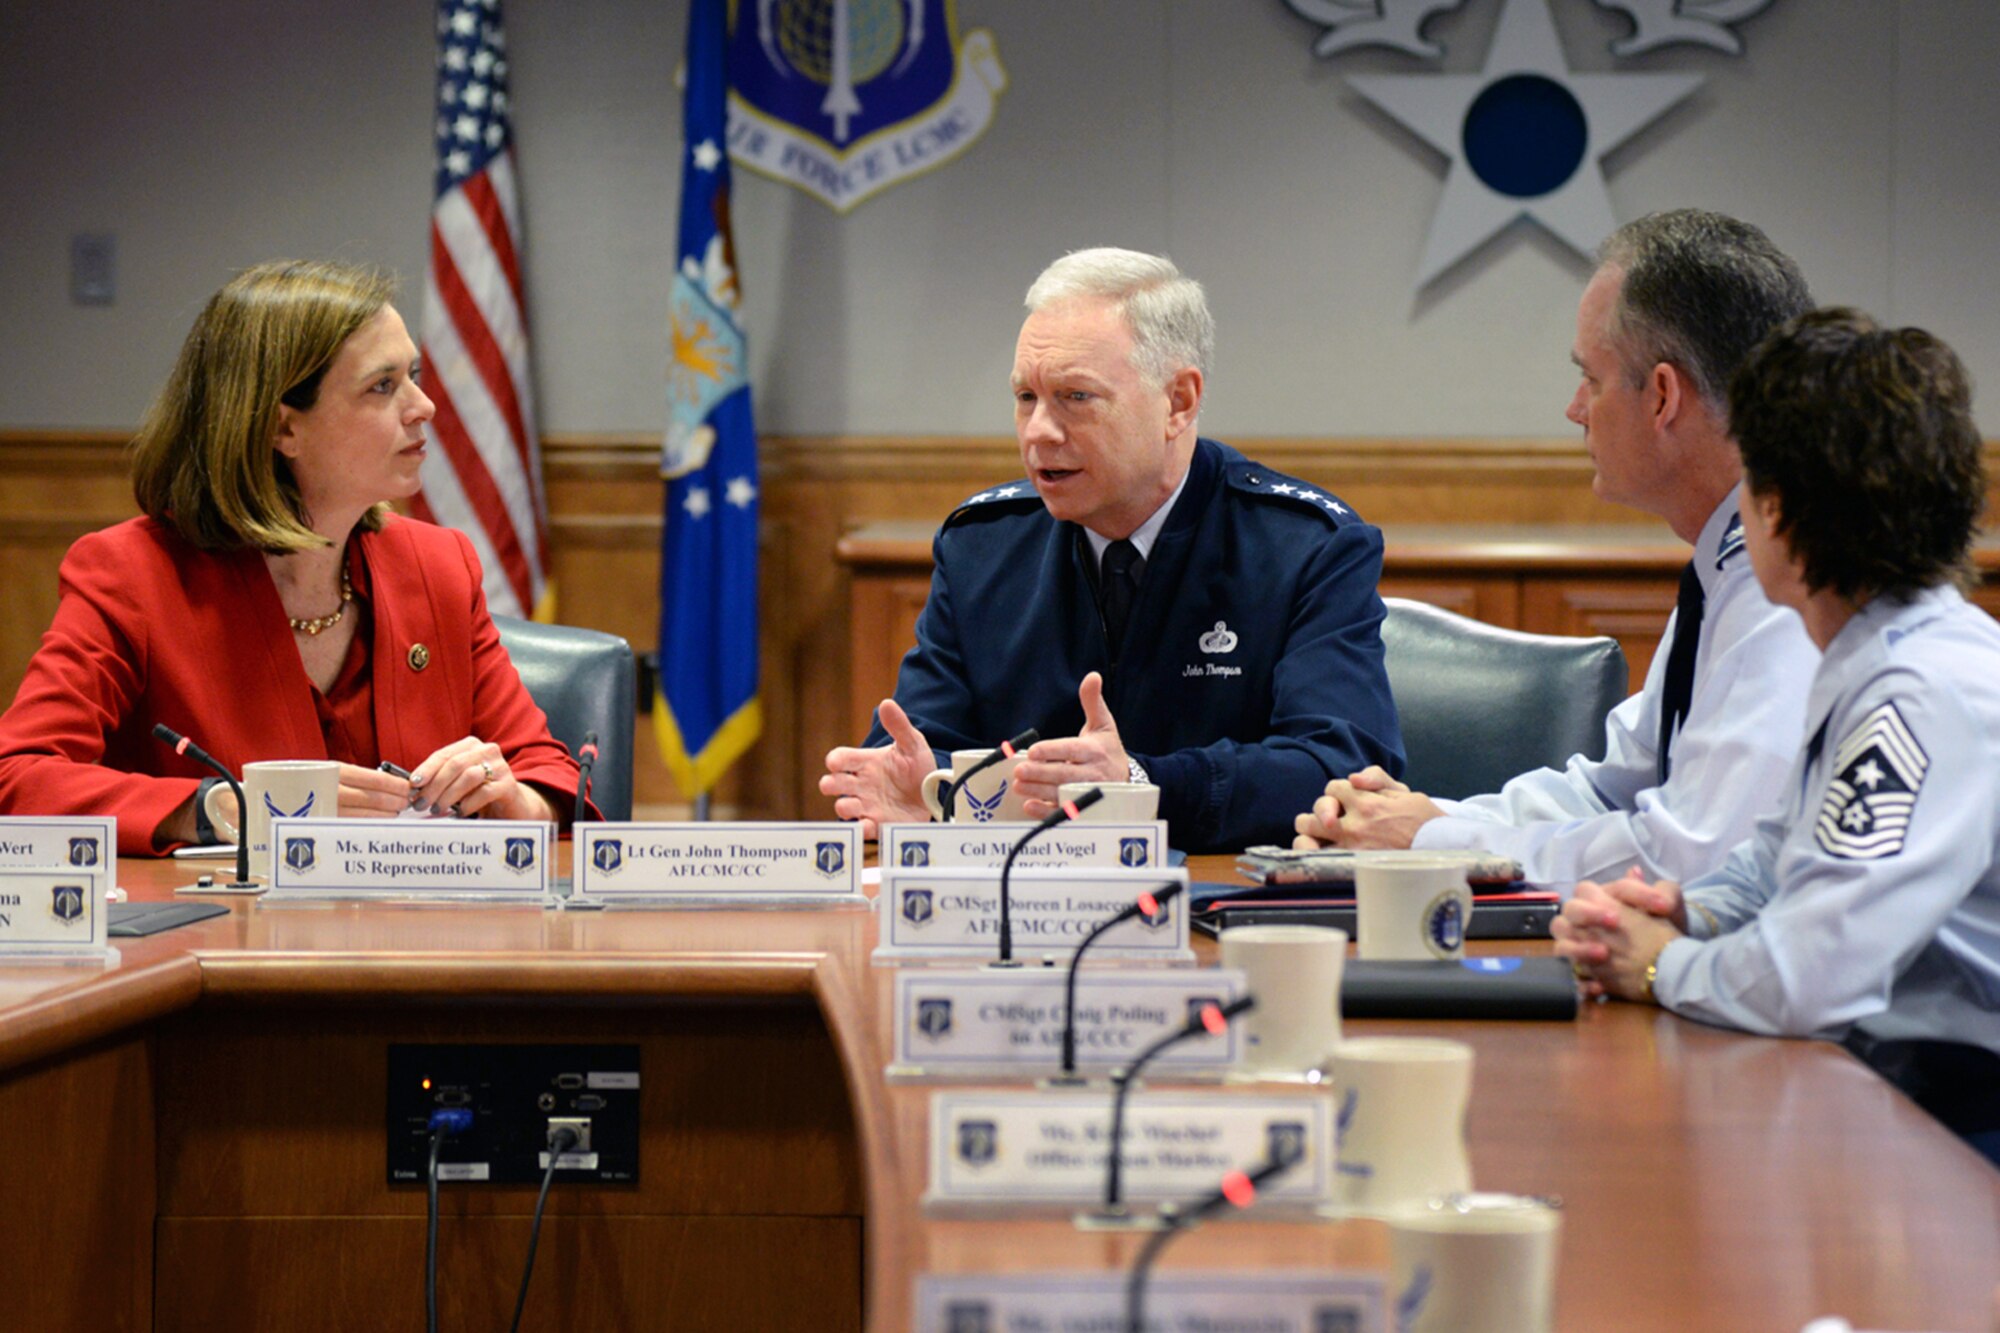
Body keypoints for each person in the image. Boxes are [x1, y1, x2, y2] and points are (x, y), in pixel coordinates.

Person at [1554, 309, 2000, 1158]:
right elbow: (1778, 862)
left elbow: (1807, 976)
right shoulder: (1879, 654)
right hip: (1905, 1089)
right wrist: (1690, 914)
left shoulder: (1919, 696)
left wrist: (1655, 964)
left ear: (1778, 514)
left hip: (1964, 1124)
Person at [1294, 210, 1820, 890]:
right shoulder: (1725, 563)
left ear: (1662, 396)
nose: (1575, 409)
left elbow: (1694, 859)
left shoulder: (1788, 592)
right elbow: (1614, 791)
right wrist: (1413, 820)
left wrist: (1433, 840)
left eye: (1592, 380)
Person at [820, 248, 1402, 852]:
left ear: (1178, 401)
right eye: (1026, 398)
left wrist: (1137, 788)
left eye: (1075, 397)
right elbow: (925, 744)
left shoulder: (1303, 546)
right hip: (1016, 912)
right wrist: (927, 793)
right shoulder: (983, 547)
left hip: (1223, 909)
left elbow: (1339, 770)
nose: (1038, 431)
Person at [0, 260, 585, 855]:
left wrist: (514, 799)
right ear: (283, 429)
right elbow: (17, 776)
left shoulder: (437, 566)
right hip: (218, 936)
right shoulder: (133, 575)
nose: (424, 406)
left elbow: (547, 770)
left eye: (413, 375)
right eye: (383, 387)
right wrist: (217, 808)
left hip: (417, 935)